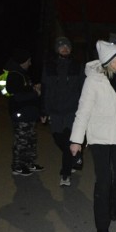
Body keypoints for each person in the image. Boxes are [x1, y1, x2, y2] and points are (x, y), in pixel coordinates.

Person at [69, 40, 116, 232]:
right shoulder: (93, 81)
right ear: (109, 61)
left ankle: (112, 203)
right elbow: (83, 112)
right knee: (103, 181)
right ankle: (102, 224)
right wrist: (76, 140)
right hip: (99, 137)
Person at [42, 36, 85, 186]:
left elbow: (83, 89)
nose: (65, 48)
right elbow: (45, 89)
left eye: (67, 46)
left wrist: (84, 109)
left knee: (68, 141)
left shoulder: (77, 66)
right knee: (58, 139)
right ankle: (76, 154)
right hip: (55, 110)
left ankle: (65, 175)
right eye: (61, 46)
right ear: (57, 49)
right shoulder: (49, 66)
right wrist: (44, 111)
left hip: (72, 111)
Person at [5, 48, 45, 176]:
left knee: (31, 140)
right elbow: (17, 96)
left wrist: (34, 88)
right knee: (22, 140)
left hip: (29, 113)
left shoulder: (23, 74)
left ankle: (29, 163)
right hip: (20, 113)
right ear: (22, 61)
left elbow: (25, 90)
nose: (30, 63)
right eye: (28, 61)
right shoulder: (14, 75)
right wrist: (35, 92)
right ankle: (17, 165)